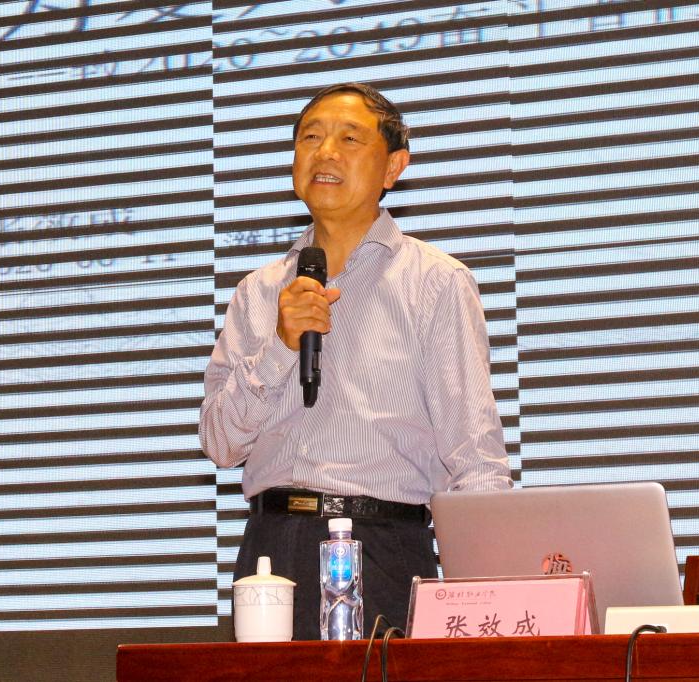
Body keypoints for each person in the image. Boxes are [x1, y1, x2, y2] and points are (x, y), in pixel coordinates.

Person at [199, 82, 512, 640]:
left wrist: (493, 605)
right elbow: (220, 443)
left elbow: (474, 455)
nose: (325, 152)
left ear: (393, 167)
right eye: (310, 138)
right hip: (270, 554)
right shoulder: (257, 293)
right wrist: (280, 346)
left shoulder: (435, 282)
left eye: (348, 139)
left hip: (384, 548)